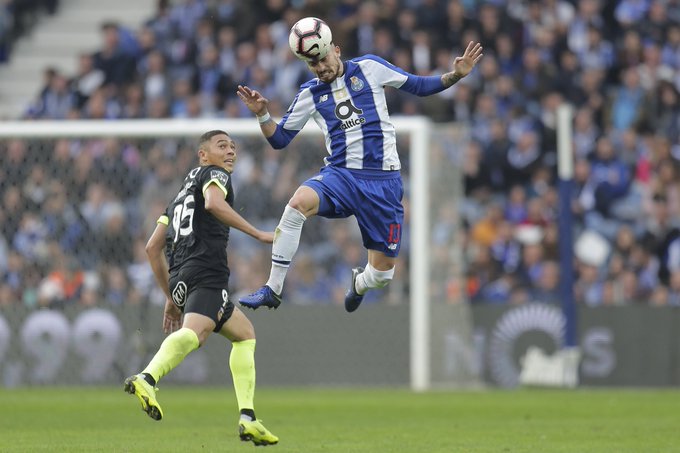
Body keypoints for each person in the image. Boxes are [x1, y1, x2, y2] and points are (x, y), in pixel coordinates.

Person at [236, 19, 483, 312]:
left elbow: (418, 86)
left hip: (383, 182)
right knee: (297, 204)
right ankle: (273, 289)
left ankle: (359, 283)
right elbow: (279, 140)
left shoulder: (369, 67)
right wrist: (263, 114)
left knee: (382, 274)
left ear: (336, 50)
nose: (321, 68)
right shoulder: (309, 95)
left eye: (324, 58)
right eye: (313, 64)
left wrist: (455, 75)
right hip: (341, 175)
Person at [123, 130, 278, 446]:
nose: (230, 151)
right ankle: (147, 378)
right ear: (203, 155)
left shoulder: (180, 194)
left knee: (244, 334)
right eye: (222, 146)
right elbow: (214, 204)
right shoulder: (214, 175)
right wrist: (258, 233)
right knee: (197, 333)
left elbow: (153, 247)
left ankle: (248, 417)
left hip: (182, 276)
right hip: (206, 269)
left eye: (233, 147)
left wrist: (170, 295)